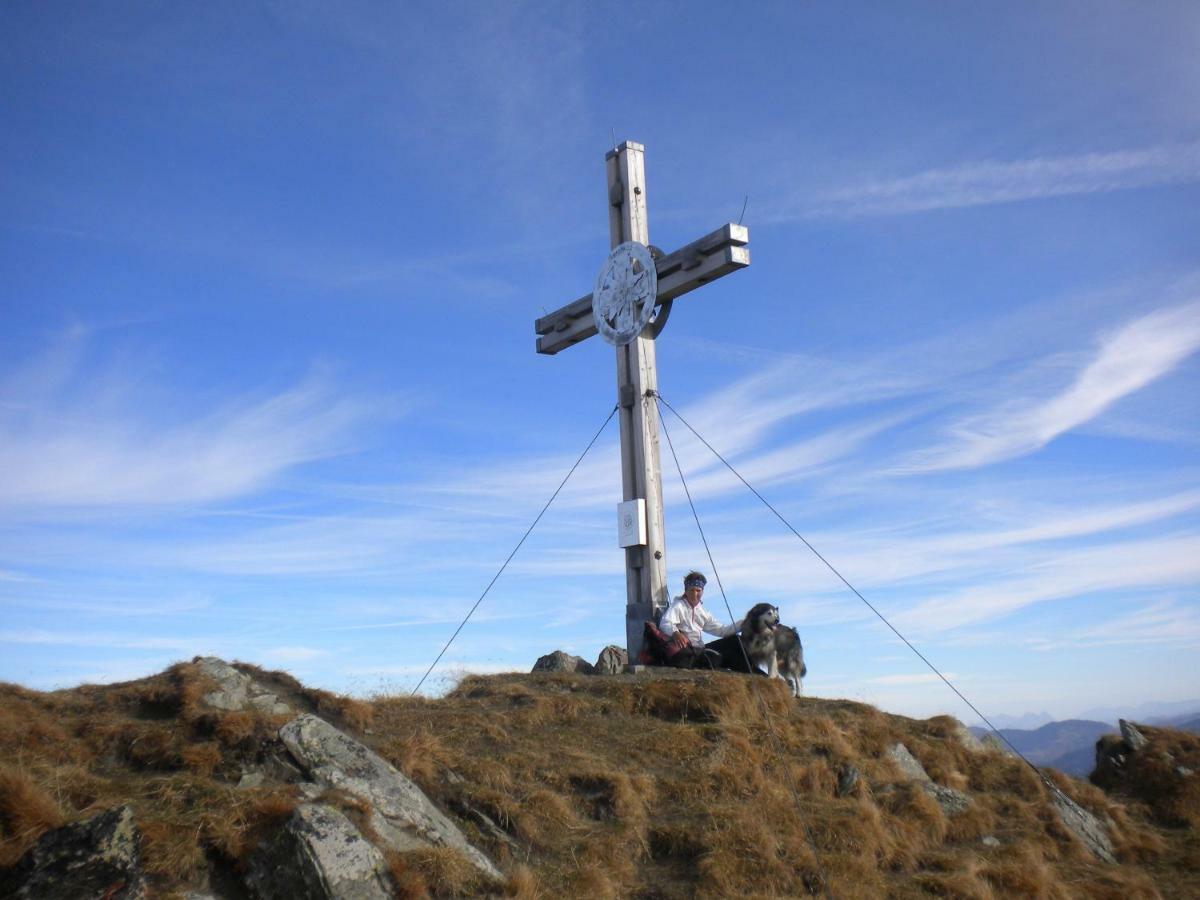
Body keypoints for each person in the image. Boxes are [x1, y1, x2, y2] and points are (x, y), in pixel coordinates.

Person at [658, 571, 743, 669]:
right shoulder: (678, 606)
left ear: (702, 591)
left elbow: (721, 631)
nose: (695, 594)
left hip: (700, 650)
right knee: (723, 655)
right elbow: (665, 623)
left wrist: (744, 624)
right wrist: (676, 633)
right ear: (686, 591)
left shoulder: (702, 612)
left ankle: (750, 674)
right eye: (691, 590)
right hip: (688, 652)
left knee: (736, 641)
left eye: (698, 590)